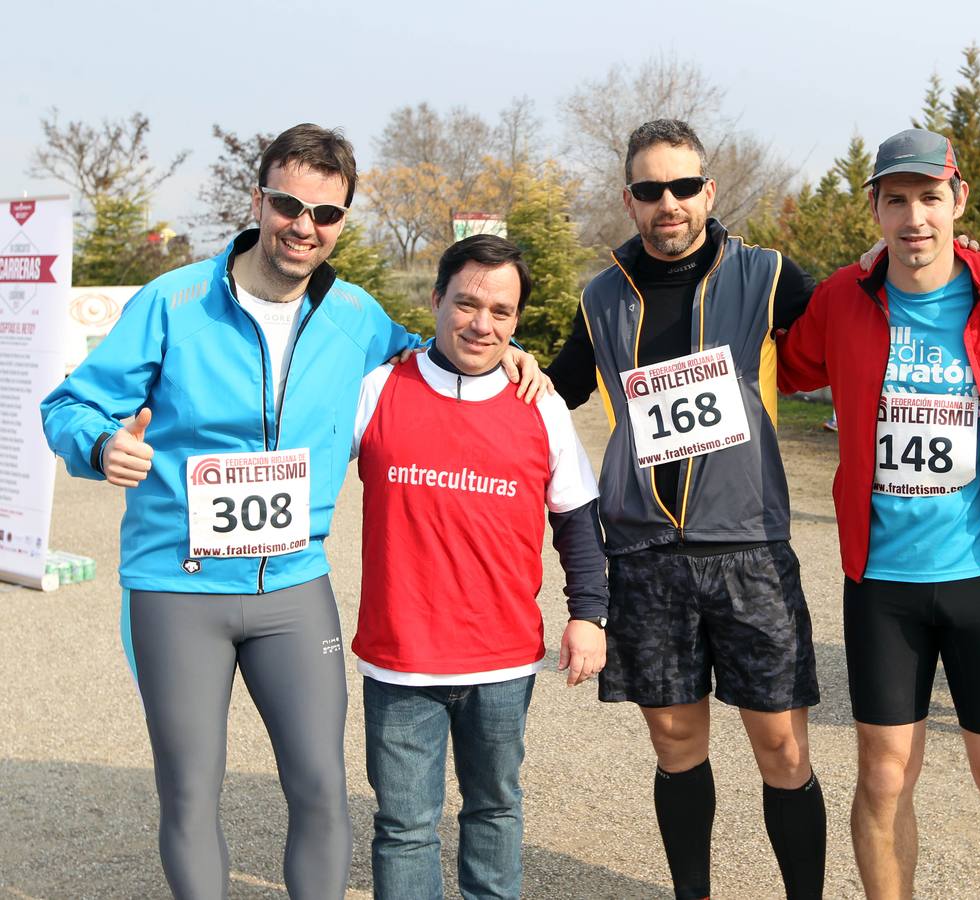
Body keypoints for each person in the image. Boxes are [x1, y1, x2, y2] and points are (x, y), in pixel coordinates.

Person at [39, 124, 543, 898]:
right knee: (190, 792)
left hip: (294, 589)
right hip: (180, 587)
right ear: (259, 200)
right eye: (288, 204)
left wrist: (505, 350)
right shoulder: (172, 302)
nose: (304, 226)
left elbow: (436, 356)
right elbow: (70, 404)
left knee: (320, 788)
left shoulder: (359, 317)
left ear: (342, 221)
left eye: (327, 213)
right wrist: (101, 444)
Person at [545, 119, 826, 900]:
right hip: (645, 554)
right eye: (648, 190)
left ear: (707, 191)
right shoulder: (603, 295)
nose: (667, 203)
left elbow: (850, 333)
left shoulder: (767, 274)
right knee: (675, 743)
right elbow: (555, 389)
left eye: (681, 187)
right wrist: (475, 364)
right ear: (629, 201)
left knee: (782, 749)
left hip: (749, 549)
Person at [779, 128, 980, 899]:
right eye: (896, 200)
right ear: (874, 208)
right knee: (882, 777)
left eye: (930, 198)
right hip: (884, 583)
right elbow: (776, 363)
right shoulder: (845, 297)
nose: (915, 219)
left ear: (958, 200)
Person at [351, 235, 607, 898]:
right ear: (436, 301)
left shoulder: (540, 404)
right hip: (400, 658)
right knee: (405, 826)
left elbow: (578, 519)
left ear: (516, 321)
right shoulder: (379, 388)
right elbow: (302, 467)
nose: (481, 324)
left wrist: (590, 615)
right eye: (466, 304)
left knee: (494, 811)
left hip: (501, 660)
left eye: (500, 311)